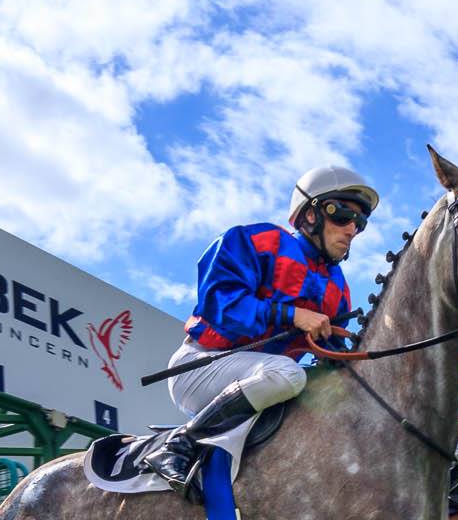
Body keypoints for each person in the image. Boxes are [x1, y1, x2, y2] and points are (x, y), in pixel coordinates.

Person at [144, 165, 378, 486]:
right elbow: (220, 304)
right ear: (310, 215)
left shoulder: (338, 287)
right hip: (199, 367)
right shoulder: (256, 240)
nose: (352, 230)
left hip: (262, 383)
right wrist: (291, 315)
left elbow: (331, 360)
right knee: (289, 373)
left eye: (360, 223)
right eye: (342, 216)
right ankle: (180, 443)